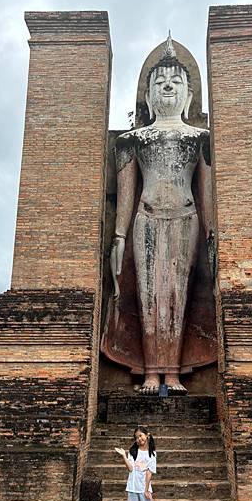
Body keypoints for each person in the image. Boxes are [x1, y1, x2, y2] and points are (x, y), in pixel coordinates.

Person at [109, 34, 215, 394]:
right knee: (150, 297)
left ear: (188, 95)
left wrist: (213, 237)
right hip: (145, 219)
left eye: (175, 81)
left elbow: (208, 193)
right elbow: (126, 195)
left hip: (186, 218)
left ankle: (173, 374)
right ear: (148, 94)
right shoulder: (131, 141)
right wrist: (119, 237)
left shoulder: (200, 139)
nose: (167, 86)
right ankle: (152, 372)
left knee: (179, 295)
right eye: (159, 81)